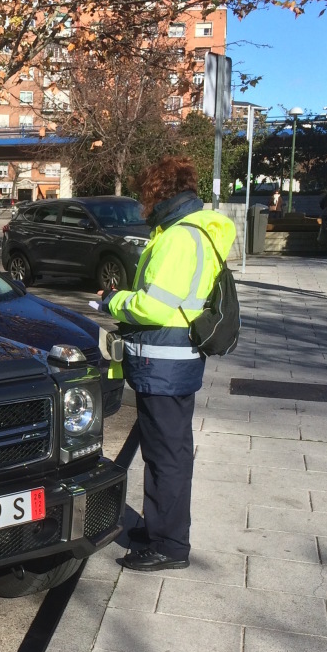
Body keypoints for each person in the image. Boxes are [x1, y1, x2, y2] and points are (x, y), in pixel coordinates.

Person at [99, 156, 236, 571]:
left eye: (146, 192)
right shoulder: (191, 230)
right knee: (166, 452)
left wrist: (113, 301)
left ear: (159, 191)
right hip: (172, 362)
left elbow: (155, 307)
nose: (143, 200)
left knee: (168, 456)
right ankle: (160, 528)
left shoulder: (179, 237)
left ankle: (170, 545)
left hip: (164, 362)